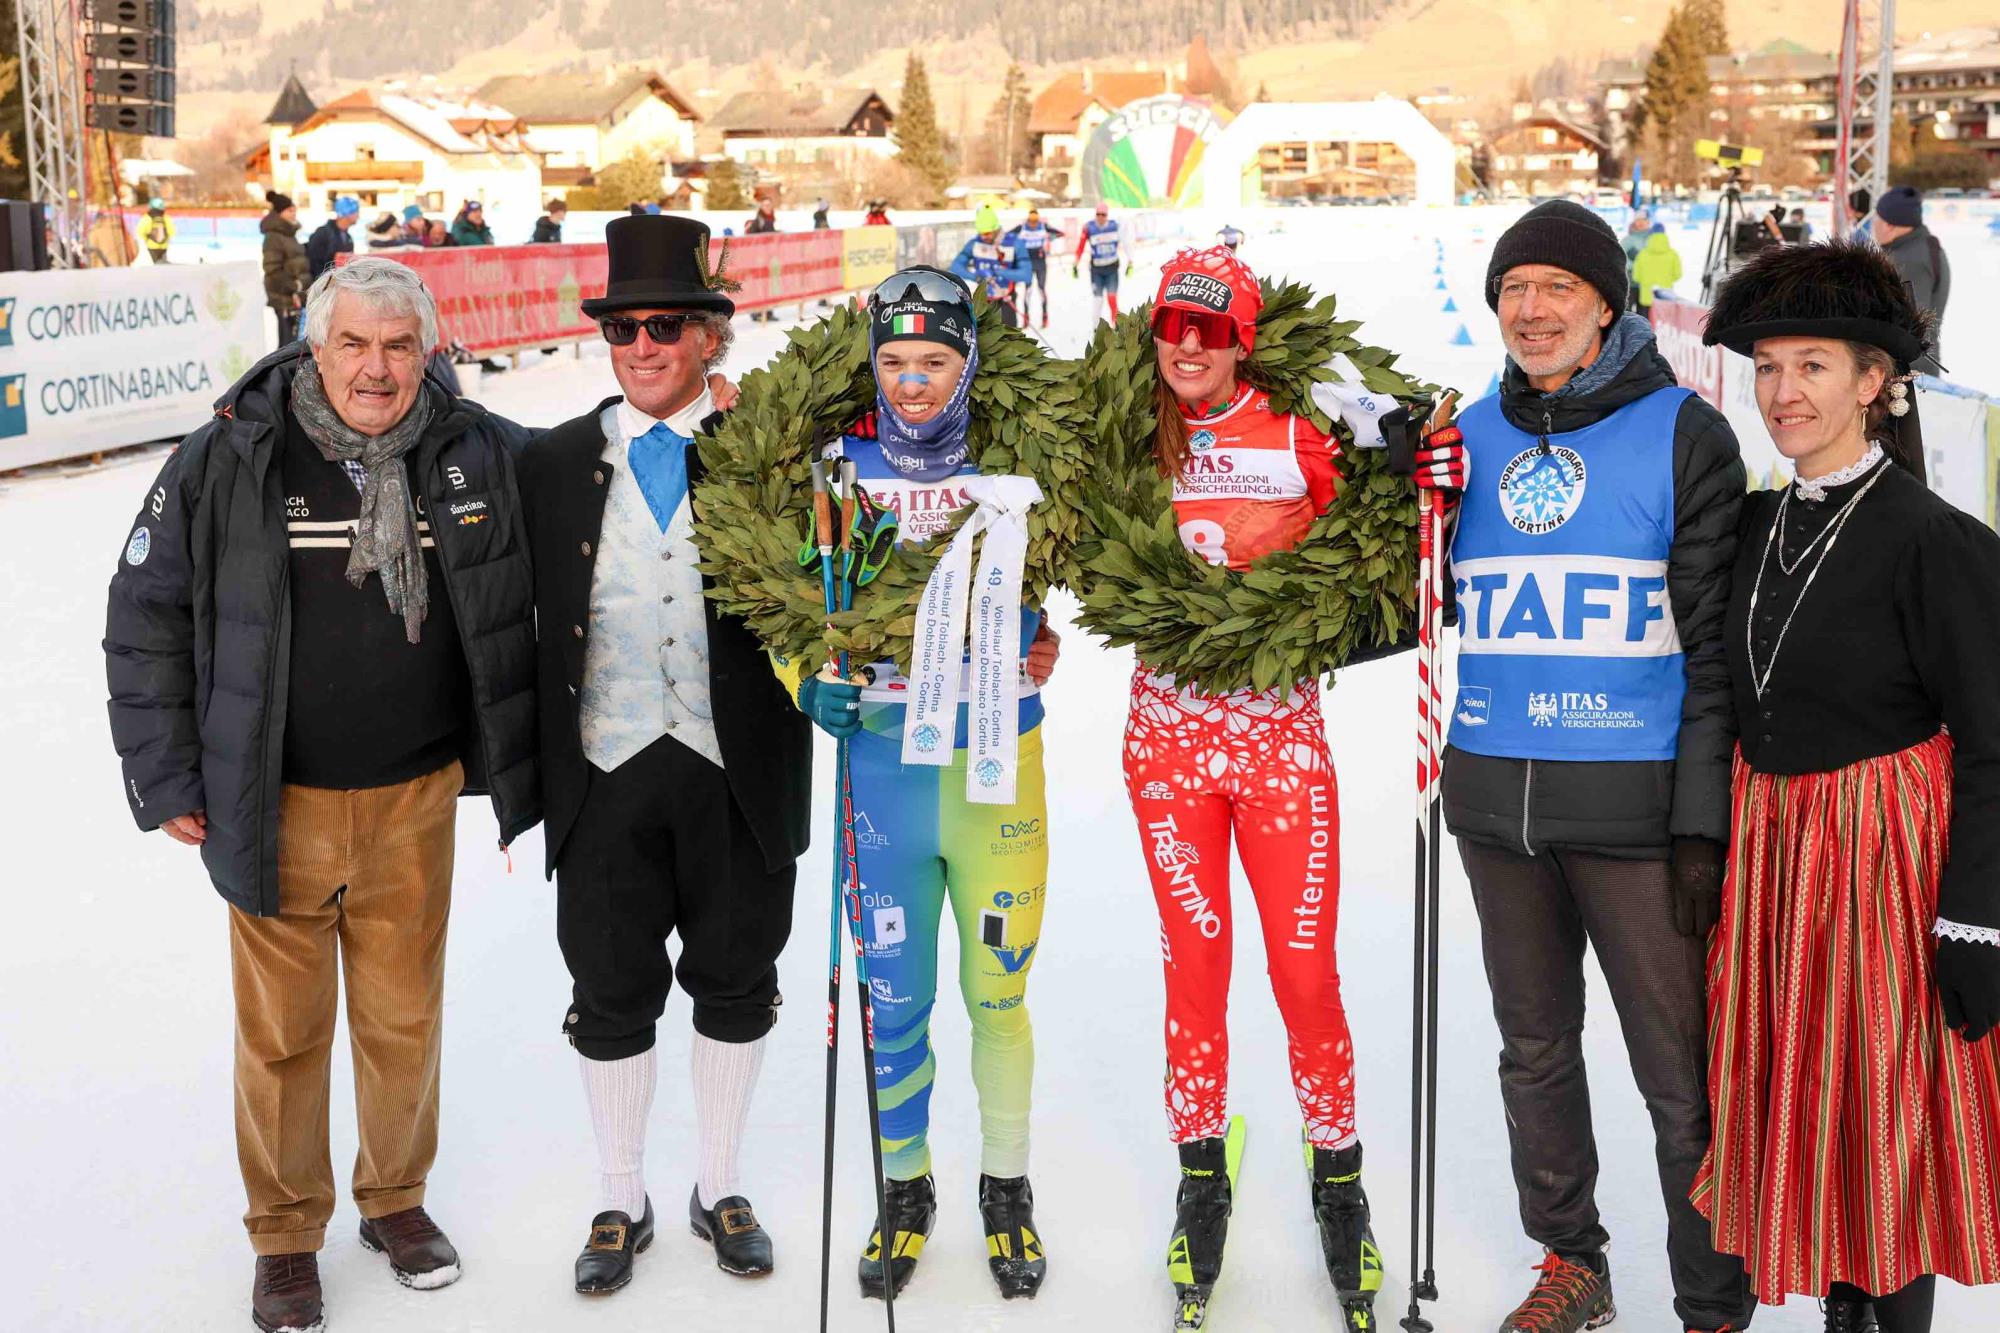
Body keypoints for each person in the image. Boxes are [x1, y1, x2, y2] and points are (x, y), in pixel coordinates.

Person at [102, 258, 540, 1333]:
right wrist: (164, 777)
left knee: (402, 1019)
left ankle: (394, 1201)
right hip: (275, 794)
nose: (376, 368)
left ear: (428, 349)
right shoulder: (232, 454)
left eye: (398, 345)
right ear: (312, 347)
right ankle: (286, 1235)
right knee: (285, 1034)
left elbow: (596, 496)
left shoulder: (472, 447)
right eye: (353, 344)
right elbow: (145, 609)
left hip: (414, 792)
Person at [1121, 246, 1461, 1333]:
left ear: (1244, 340)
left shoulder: (1300, 422)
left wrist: (1407, 456)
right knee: (1197, 968)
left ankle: (1338, 1178)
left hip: (1277, 746)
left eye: (1211, 331)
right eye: (1175, 324)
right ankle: (1199, 1179)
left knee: (1303, 972)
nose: (1187, 345)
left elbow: (1386, 540)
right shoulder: (1129, 427)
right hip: (1167, 745)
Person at [1443, 199, 1755, 1333]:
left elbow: (1714, 653)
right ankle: (1570, 1258)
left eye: (1554, 290)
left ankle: (1712, 1298)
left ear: (1605, 305)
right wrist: (1394, 494)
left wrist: (1696, 823)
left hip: (1631, 812)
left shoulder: (1681, 430)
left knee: (1681, 1083)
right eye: (1511, 292)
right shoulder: (1465, 436)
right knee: (1532, 1053)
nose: (1529, 312)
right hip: (1494, 803)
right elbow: (1406, 601)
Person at [1696, 238, 2000, 1333]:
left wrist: (1973, 918)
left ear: (1872, 382)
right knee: (1806, 1105)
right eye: (1767, 367)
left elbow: (1991, 742)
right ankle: (1838, 1311)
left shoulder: (1933, 541)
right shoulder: (1753, 525)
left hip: (1883, 858)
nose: (1782, 392)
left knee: (1879, 1117)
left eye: (1812, 365)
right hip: (1777, 853)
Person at [516, 214, 811, 1296]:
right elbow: (419, 425)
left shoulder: (771, 452)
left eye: (664, 326)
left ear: (707, 338)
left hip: (737, 770)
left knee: (737, 980)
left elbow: (902, 469)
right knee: (609, 987)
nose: (640, 346)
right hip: (600, 769)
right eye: (622, 327)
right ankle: (620, 1191)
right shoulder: (547, 461)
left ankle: (718, 1184)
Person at [778, 265, 1063, 1302]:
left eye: (934, 361)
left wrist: (1041, 639)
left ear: (969, 364)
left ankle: (1004, 1186)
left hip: (995, 766)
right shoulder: (832, 464)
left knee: (997, 993)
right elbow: (783, 607)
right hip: (881, 771)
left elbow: (1052, 579)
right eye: (894, 361)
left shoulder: (1017, 460)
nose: (911, 381)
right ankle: (905, 1189)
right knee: (892, 999)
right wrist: (803, 677)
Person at [1873, 185, 1951, 374]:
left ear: (1890, 225)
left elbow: (1910, 326)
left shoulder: (1908, 260)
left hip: (1909, 373)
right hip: (1914, 367)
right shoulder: (1919, 247)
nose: (1873, 226)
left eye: (1877, 220)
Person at [948, 203, 1032, 328]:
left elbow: (1026, 275)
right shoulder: (975, 244)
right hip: (984, 303)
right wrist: (976, 277)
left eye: (987, 233)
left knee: (1007, 344)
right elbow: (955, 267)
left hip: (1006, 302)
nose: (983, 237)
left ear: (996, 228)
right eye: (981, 233)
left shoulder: (1015, 243)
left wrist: (999, 272)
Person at [260, 191, 310, 345]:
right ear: (280, 213)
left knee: (294, 344)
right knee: (286, 345)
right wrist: (294, 287)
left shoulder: (288, 233)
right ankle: (283, 370)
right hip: (284, 299)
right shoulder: (274, 237)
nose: (293, 214)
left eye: (294, 210)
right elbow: (272, 269)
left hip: (295, 297)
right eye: (290, 210)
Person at [1003, 207, 1064, 327]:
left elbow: (1061, 233)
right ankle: (1026, 318)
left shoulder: (1043, 226)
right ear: (1028, 220)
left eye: (1035, 220)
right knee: (1028, 291)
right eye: (1031, 220)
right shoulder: (1022, 227)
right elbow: (1006, 236)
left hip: (1040, 263)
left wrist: (1050, 238)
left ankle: (1045, 317)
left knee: (1041, 289)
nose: (1033, 223)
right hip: (1027, 264)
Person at [1073, 202, 1127, 324]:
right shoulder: (1088, 227)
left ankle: (1116, 327)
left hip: (1112, 268)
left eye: (1103, 214)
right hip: (1096, 270)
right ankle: (1096, 330)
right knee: (1098, 300)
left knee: (1112, 299)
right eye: (1098, 214)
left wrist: (1131, 261)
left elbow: (1126, 243)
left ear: (1107, 215)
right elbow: (1080, 247)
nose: (1100, 217)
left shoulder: (1115, 226)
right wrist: (1075, 263)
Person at [1631, 222, 1682, 311]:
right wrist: (1666, 280)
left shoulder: (1642, 254)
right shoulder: (1673, 254)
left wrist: (1646, 281)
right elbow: (1678, 274)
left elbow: (1636, 277)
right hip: (1665, 298)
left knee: (1645, 323)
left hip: (1646, 298)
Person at [305, 196, 359, 279]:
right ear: (347, 213)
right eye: (356, 212)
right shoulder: (322, 233)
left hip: (339, 283)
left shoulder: (348, 237)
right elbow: (313, 263)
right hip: (324, 284)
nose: (358, 215)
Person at [1622, 210, 1652, 308]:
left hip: (1647, 284)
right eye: (1638, 220)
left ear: (1648, 222)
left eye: (1643, 220)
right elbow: (1619, 259)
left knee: (1644, 315)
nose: (1640, 223)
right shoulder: (1627, 240)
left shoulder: (1653, 239)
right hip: (1630, 283)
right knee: (1627, 314)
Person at [140, 197, 174, 264]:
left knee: (155, 263)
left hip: (151, 245)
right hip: (164, 245)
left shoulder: (146, 218)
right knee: (163, 262)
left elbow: (140, 231)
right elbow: (172, 231)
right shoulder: (166, 218)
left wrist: (146, 240)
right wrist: (166, 239)